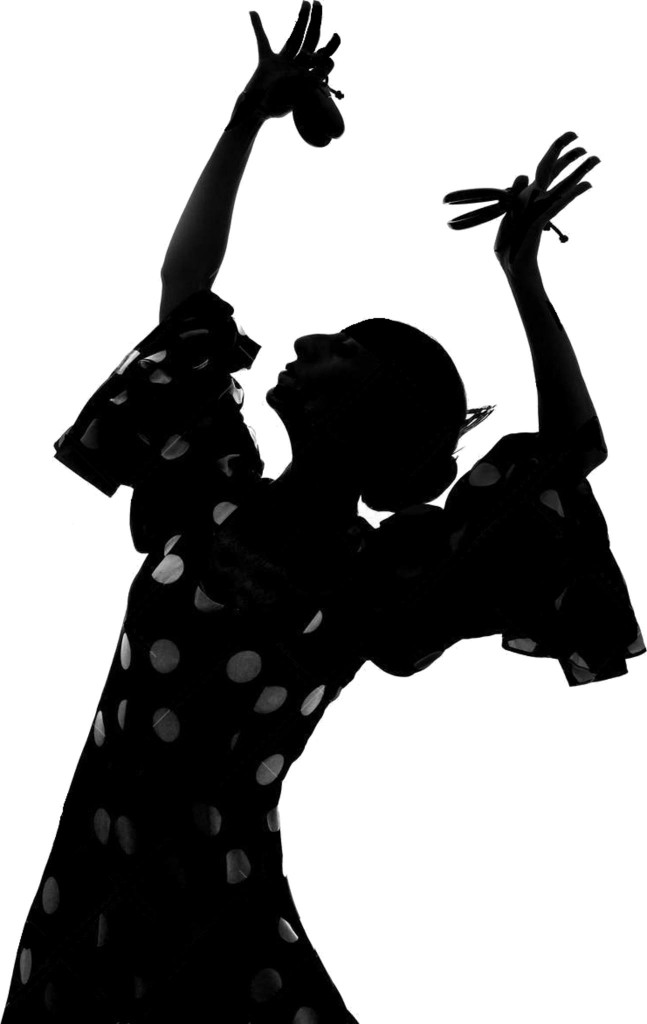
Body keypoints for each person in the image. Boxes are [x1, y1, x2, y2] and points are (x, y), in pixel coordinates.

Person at [1, 4, 643, 1023]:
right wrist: (244, 120)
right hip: (87, 914)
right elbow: (183, 289)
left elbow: (570, 450)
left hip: (220, 928)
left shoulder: (372, 578)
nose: (302, 344)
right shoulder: (209, 489)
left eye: (340, 347)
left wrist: (521, 272)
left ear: (382, 407)